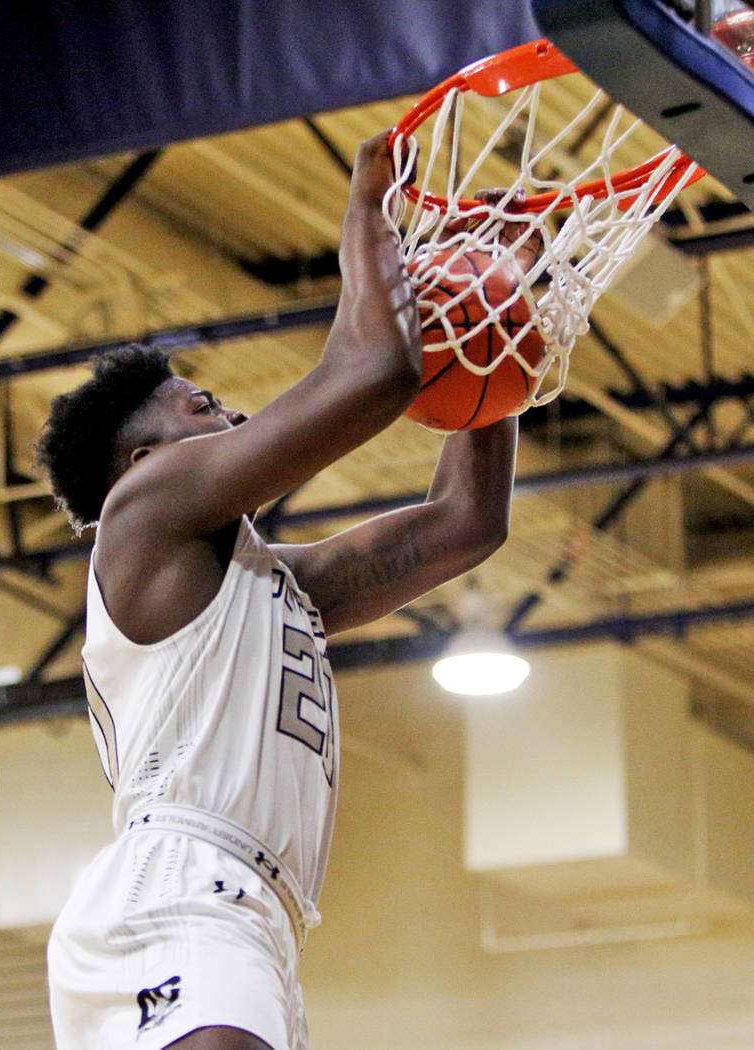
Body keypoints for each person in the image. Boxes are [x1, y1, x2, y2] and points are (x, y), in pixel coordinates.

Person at [36, 130, 519, 1050]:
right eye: (203, 409)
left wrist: (494, 362)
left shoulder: (268, 587)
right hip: (178, 886)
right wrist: (368, 214)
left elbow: (465, 523)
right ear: (141, 462)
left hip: (256, 912)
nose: (238, 418)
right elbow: (373, 372)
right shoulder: (143, 509)